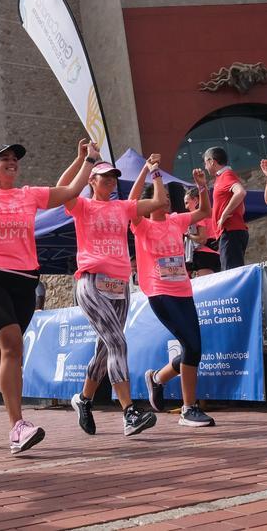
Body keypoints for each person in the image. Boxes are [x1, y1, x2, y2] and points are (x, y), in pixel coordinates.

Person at [0, 128, 98, 454]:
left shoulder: (29, 194)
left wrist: (88, 160)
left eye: (15, 159)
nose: (12, 163)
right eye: (4, 159)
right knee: (11, 344)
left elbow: (69, 191)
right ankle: (17, 427)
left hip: (24, 280)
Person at [57, 143, 167, 437]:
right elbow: (61, 188)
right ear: (91, 181)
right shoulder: (82, 206)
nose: (109, 181)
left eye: (112, 177)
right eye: (103, 176)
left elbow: (158, 202)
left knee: (106, 349)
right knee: (118, 343)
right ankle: (129, 412)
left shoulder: (122, 207)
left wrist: (152, 171)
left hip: (120, 284)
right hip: (91, 282)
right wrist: (81, 159)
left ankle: (83, 399)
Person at [136, 167, 217, 427]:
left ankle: (158, 378)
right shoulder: (141, 224)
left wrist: (202, 187)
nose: (166, 202)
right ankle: (188, 408)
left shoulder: (175, 221)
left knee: (193, 347)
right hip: (160, 293)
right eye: (161, 198)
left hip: (183, 290)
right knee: (191, 346)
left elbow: (204, 212)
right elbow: (131, 202)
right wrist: (153, 175)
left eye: (169, 199)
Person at [202, 147, 248, 271]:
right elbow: (241, 206)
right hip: (231, 231)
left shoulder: (226, 175)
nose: (205, 167)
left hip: (230, 231)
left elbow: (240, 192)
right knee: (232, 271)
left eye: (205, 162)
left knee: (231, 273)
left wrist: (224, 215)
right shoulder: (223, 177)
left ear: (212, 161)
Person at [184, 187, 221, 277]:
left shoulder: (198, 215)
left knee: (207, 285)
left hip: (204, 255)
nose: (186, 207)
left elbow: (202, 239)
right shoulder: (212, 212)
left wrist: (188, 235)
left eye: (187, 203)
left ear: (196, 200)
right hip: (216, 253)